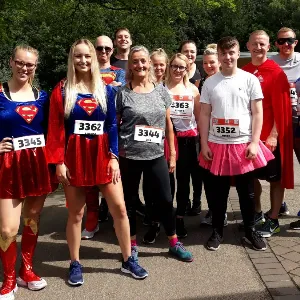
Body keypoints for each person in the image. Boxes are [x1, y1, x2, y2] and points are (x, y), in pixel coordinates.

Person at [46, 39, 148, 286]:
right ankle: (75, 263)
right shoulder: (61, 90)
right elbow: (56, 128)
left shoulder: (107, 89)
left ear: (94, 59)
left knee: (120, 208)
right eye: (78, 56)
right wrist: (59, 162)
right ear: (72, 59)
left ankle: (127, 259)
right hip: (74, 156)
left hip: (102, 155)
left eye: (87, 56)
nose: (83, 61)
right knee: (76, 213)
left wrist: (114, 157)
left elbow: (112, 125)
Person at [117, 45, 193, 262]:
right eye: (135, 61)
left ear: (149, 63)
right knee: (130, 202)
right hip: (129, 156)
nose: (140, 65)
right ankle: (131, 244)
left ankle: (173, 241)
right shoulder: (123, 93)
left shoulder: (161, 90)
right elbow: (115, 125)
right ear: (130, 65)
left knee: (166, 200)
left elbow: (168, 124)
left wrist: (172, 153)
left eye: (143, 61)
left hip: (156, 155)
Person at [199, 36, 274, 251]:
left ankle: (251, 231)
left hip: (243, 145)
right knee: (217, 192)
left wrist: (254, 142)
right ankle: (217, 231)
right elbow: (204, 114)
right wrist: (204, 144)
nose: (228, 57)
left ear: (237, 52)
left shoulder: (249, 79)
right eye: (224, 54)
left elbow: (257, 112)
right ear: (219, 56)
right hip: (216, 144)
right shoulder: (210, 82)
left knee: (247, 191)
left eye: (232, 53)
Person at [0, 45, 53, 300]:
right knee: (8, 229)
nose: (24, 68)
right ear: (11, 62)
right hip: (8, 166)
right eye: (20, 63)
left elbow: (53, 131)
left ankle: (26, 271)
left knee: (32, 219)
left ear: (36, 66)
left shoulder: (43, 96)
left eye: (30, 64)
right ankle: (9, 279)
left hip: (36, 165)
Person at [243, 30, 294, 238]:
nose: (258, 47)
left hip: (270, 139)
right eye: (255, 43)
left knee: (275, 180)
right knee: (250, 178)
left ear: (268, 46)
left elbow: (281, 109)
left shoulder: (276, 72)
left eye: (262, 44)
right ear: (248, 46)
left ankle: (273, 218)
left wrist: (273, 135)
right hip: (249, 137)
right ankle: (257, 212)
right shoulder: (243, 72)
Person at [82, 35, 126, 240]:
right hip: (89, 133)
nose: (103, 52)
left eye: (107, 48)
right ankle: (92, 217)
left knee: (115, 176)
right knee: (89, 180)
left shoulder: (120, 72)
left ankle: (119, 218)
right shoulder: (85, 71)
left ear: (112, 50)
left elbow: (124, 95)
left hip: (115, 129)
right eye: (99, 48)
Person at [161, 53, 201, 238]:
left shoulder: (193, 90)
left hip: (188, 140)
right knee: (167, 183)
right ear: (169, 67)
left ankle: (180, 218)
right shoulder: (161, 89)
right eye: (174, 66)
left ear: (187, 69)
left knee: (184, 182)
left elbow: (200, 119)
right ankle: (165, 217)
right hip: (166, 141)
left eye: (181, 67)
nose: (177, 70)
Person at [143, 48, 178, 243]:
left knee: (167, 186)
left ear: (166, 67)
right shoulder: (142, 85)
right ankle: (153, 222)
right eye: (154, 64)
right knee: (149, 186)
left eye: (161, 64)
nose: (157, 67)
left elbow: (168, 123)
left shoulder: (165, 88)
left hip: (165, 142)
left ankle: (170, 223)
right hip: (144, 144)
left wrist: (172, 152)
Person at [268, 27, 300, 230]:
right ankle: (278, 206)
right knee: (278, 168)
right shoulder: (271, 62)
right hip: (278, 124)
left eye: (290, 41)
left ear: (296, 42)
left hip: (298, 122)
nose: (285, 45)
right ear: (275, 43)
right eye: (281, 41)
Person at [198, 44, 229, 227]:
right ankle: (213, 210)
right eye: (206, 63)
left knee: (221, 180)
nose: (209, 66)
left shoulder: (225, 80)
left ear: (219, 62)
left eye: (212, 62)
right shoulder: (204, 83)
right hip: (205, 137)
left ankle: (222, 213)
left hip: (222, 138)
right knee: (209, 179)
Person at [179, 40, 203, 215]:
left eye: (192, 51)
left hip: (194, 131)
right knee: (182, 171)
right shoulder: (176, 70)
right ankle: (184, 201)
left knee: (197, 171)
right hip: (178, 133)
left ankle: (197, 200)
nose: (189, 54)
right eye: (186, 51)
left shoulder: (201, 72)